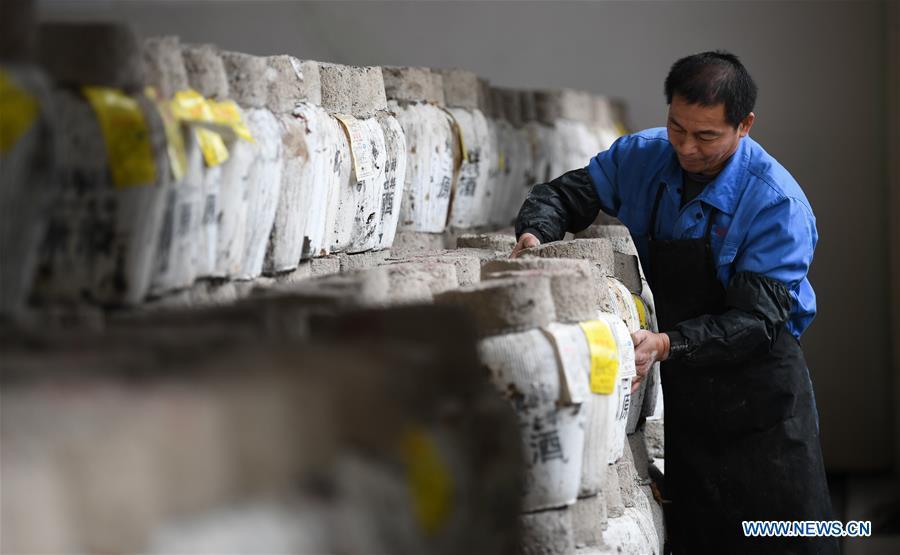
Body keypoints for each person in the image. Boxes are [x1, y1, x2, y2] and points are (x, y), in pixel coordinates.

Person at [512, 51, 838, 553]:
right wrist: (535, 235)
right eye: (677, 127)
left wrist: (666, 342)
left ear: (744, 125)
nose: (686, 147)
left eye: (706, 136)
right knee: (700, 535)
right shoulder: (641, 157)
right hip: (688, 385)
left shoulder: (776, 203)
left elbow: (755, 321)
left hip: (762, 394)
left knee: (790, 535)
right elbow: (563, 196)